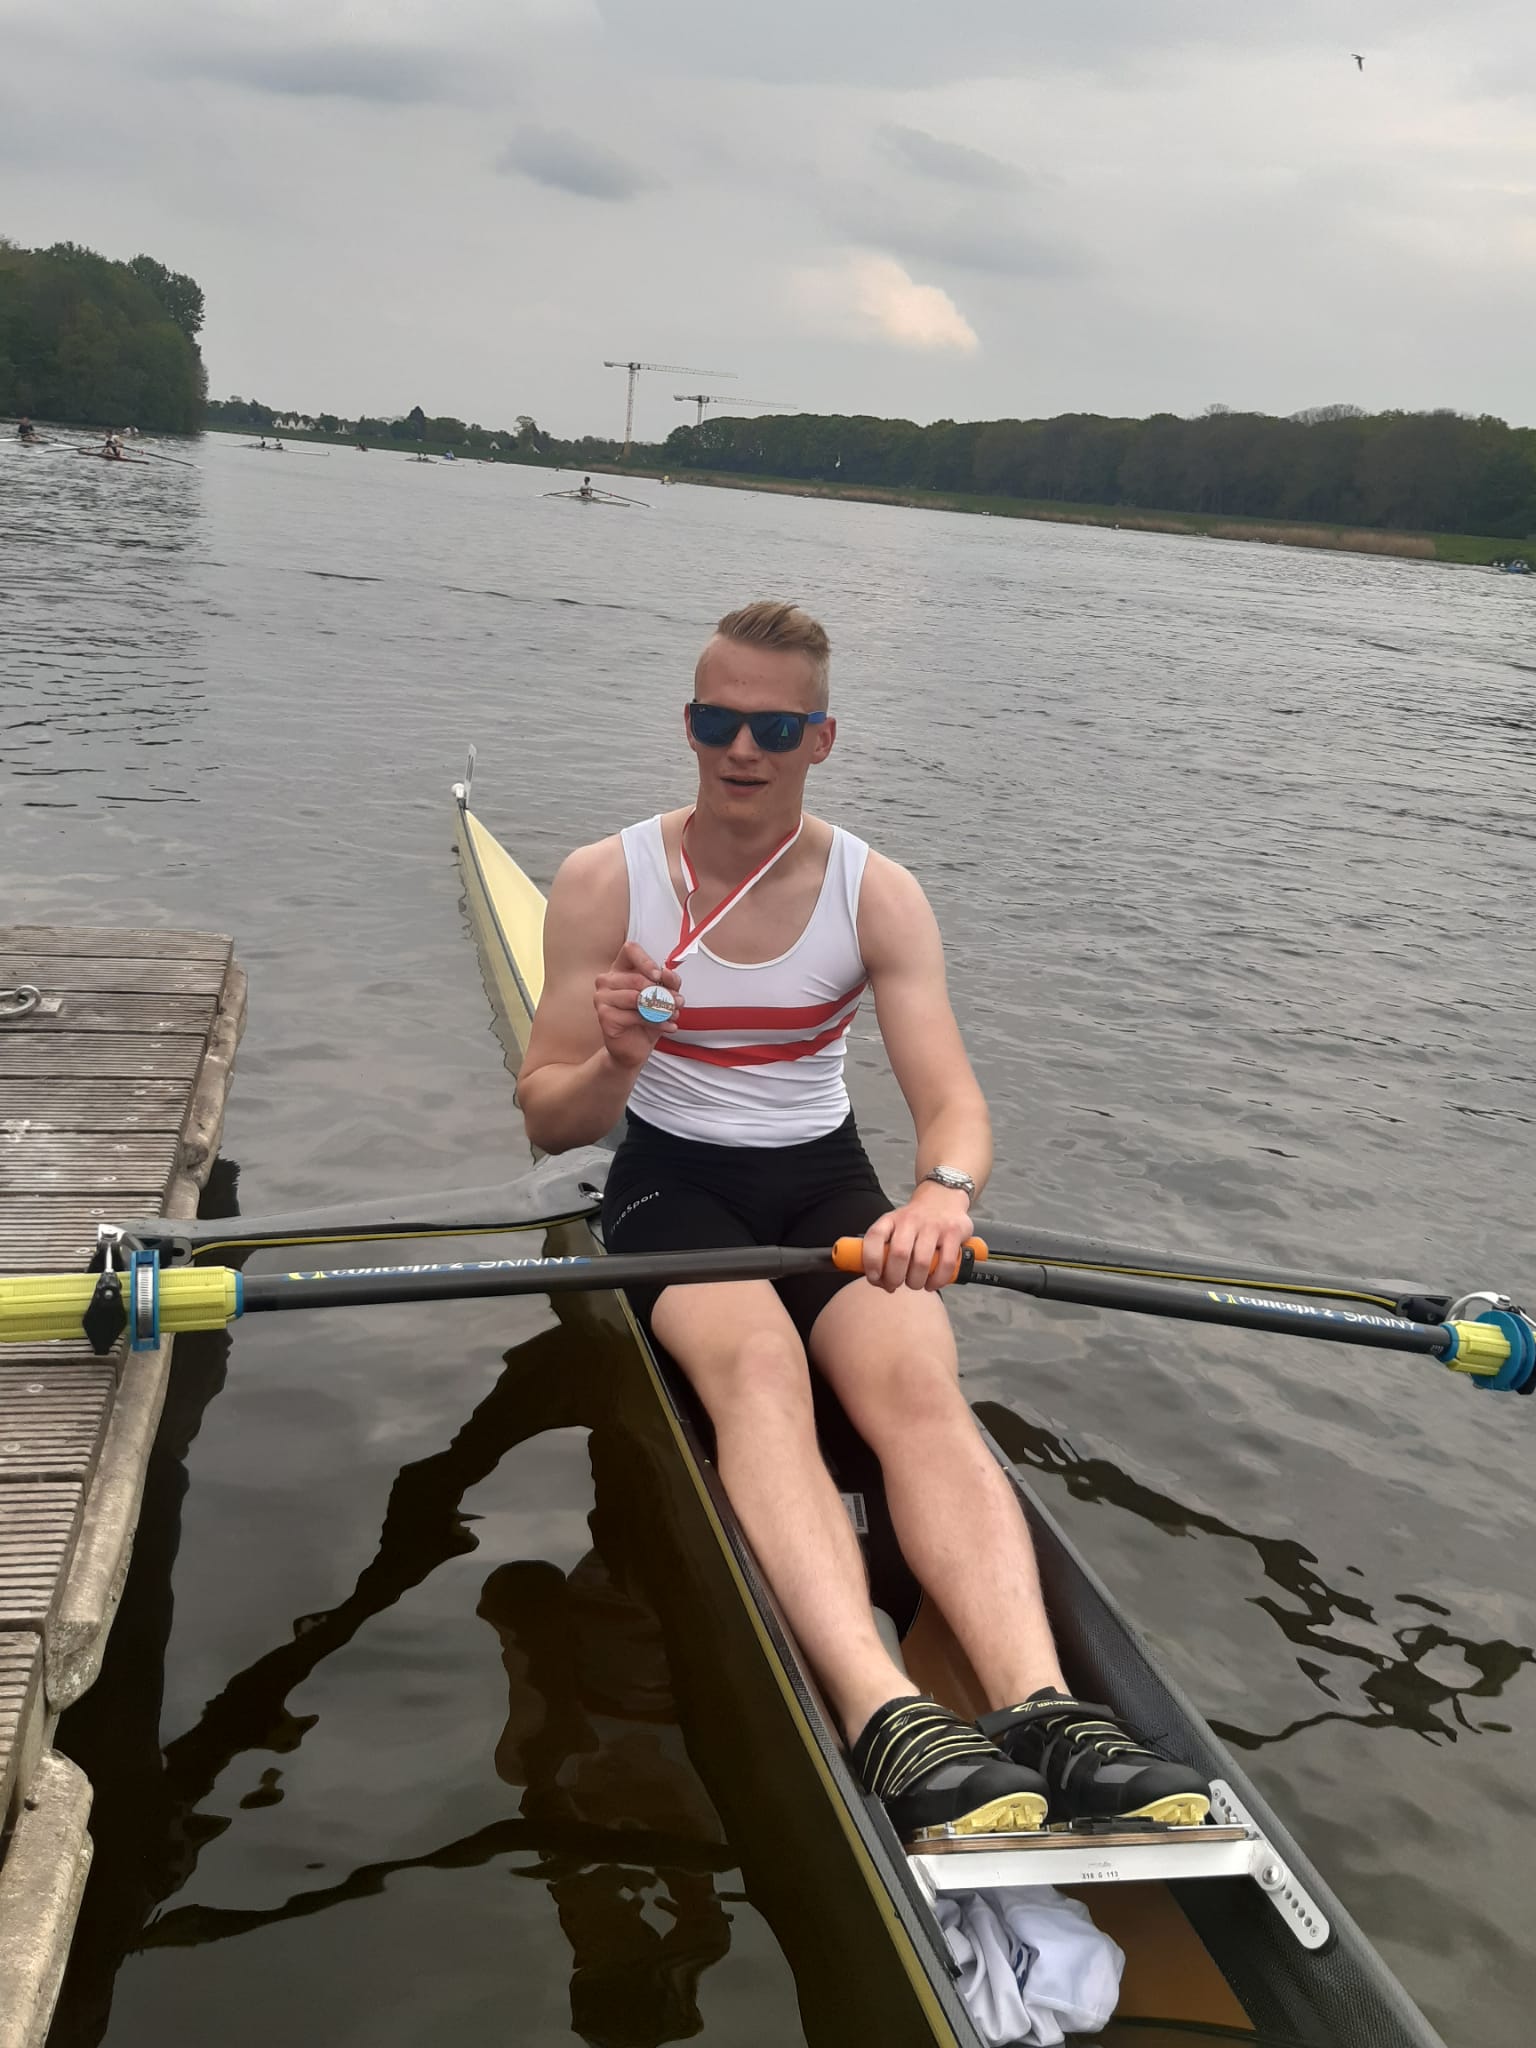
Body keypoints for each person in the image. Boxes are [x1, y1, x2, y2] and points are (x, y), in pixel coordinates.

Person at [516, 601, 1210, 1841]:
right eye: (717, 720)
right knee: (762, 1372)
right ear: (688, 722)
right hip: (672, 1179)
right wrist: (617, 1060)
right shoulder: (599, 881)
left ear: (820, 738)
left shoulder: (876, 893)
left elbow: (952, 1103)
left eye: (774, 726)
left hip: (825, 1183)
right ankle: (884, 1706)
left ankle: (1047, 1709)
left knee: (915, 1384)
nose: (742, 748)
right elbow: (550, 1121)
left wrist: (941, 1194)